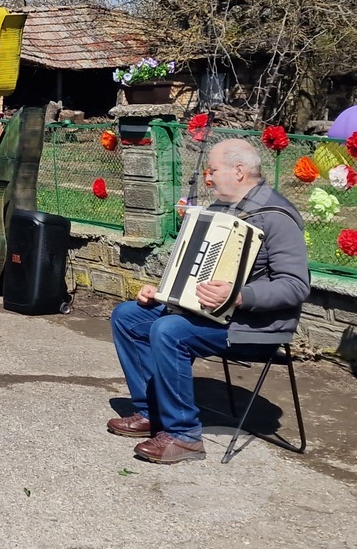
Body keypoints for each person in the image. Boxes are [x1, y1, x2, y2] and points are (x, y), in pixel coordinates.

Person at [108, 138, 310, 464]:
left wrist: (240, 295)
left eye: (213, 170)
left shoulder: (277, 216)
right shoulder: (219, 209)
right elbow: (192, 267)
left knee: (169, 330)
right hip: (207, 313)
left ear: (239, 171)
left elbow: (296, 286)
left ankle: (184, 436)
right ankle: (151, 413)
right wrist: (159, 291)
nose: (208, 178)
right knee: (128, 316)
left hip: (255, 325)